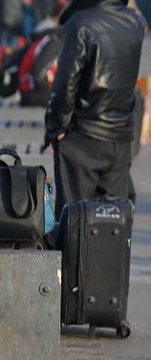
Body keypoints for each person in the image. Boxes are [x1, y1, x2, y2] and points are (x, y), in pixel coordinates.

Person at [43, 0, 145, 218]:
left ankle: (78, 253)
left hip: (82, 135)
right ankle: (113, 254)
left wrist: (56, 126)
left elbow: (65, 83)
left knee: (74, 220)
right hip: (120, 135)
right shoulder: (135, 21)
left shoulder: (80, 23)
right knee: (114, 219)